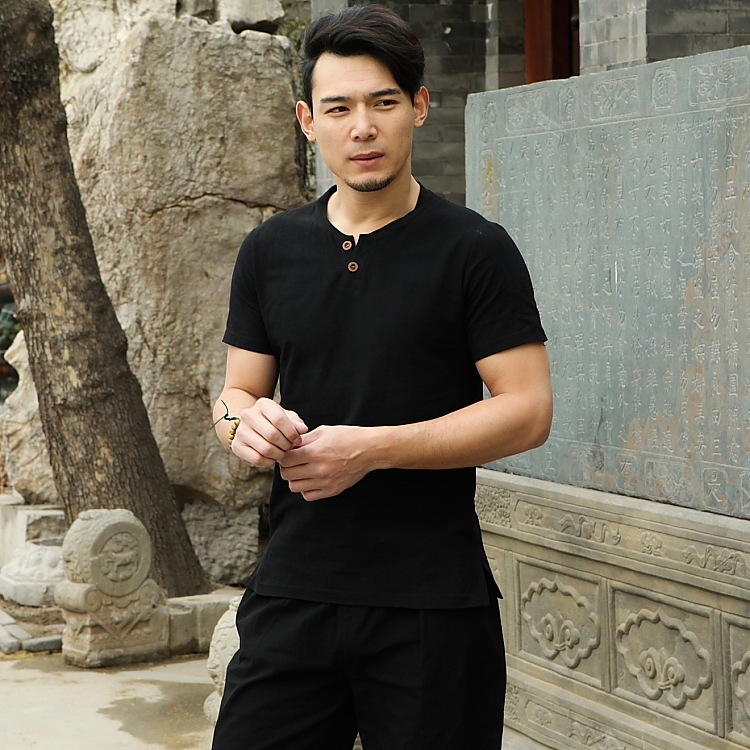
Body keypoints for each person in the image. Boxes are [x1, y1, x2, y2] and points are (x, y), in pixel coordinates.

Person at [211, 5, 552, 750]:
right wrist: (245, 426)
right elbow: (236, 396)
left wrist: (370, 449)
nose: (362, 127)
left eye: (384, 102)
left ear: (419, 107)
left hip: (432, 602)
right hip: (293, 588)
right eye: (338, 108)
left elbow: (528, 410)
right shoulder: (269, 250)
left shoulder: (475, 249)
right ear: (308, 121)